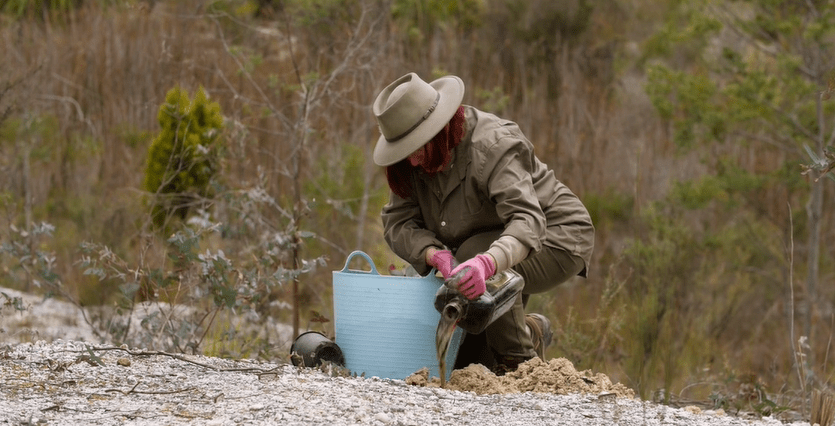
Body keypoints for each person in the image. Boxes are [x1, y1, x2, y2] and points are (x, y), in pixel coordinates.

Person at [372, 72, 595, 374]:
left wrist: (486, 264)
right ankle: (530, 331)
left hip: (556, 236)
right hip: (488, 244)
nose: (412, 162)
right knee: (470, 364)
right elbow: (397, 222)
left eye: (416, 148)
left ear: (438, 130)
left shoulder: (492, 146)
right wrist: (433, 254)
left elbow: (527, 220)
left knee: (472, 254)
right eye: (404, 150)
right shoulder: (411, 161)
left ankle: (521, 365)